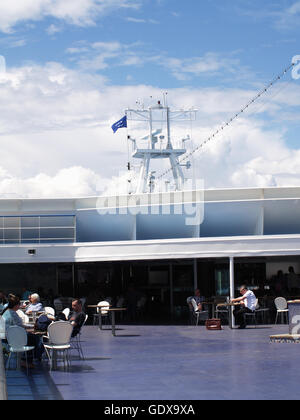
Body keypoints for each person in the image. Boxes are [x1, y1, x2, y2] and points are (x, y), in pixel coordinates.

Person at [2, 294, 44, 367]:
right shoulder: (13, 314)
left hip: (7, 338)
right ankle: (28, 359)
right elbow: (20, 326)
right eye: (19, 304)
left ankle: (27, 359)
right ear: (16, 305)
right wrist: (30, 327)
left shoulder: (7, 312)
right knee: (36, 339)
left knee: (32, 338)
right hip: (13, 339)